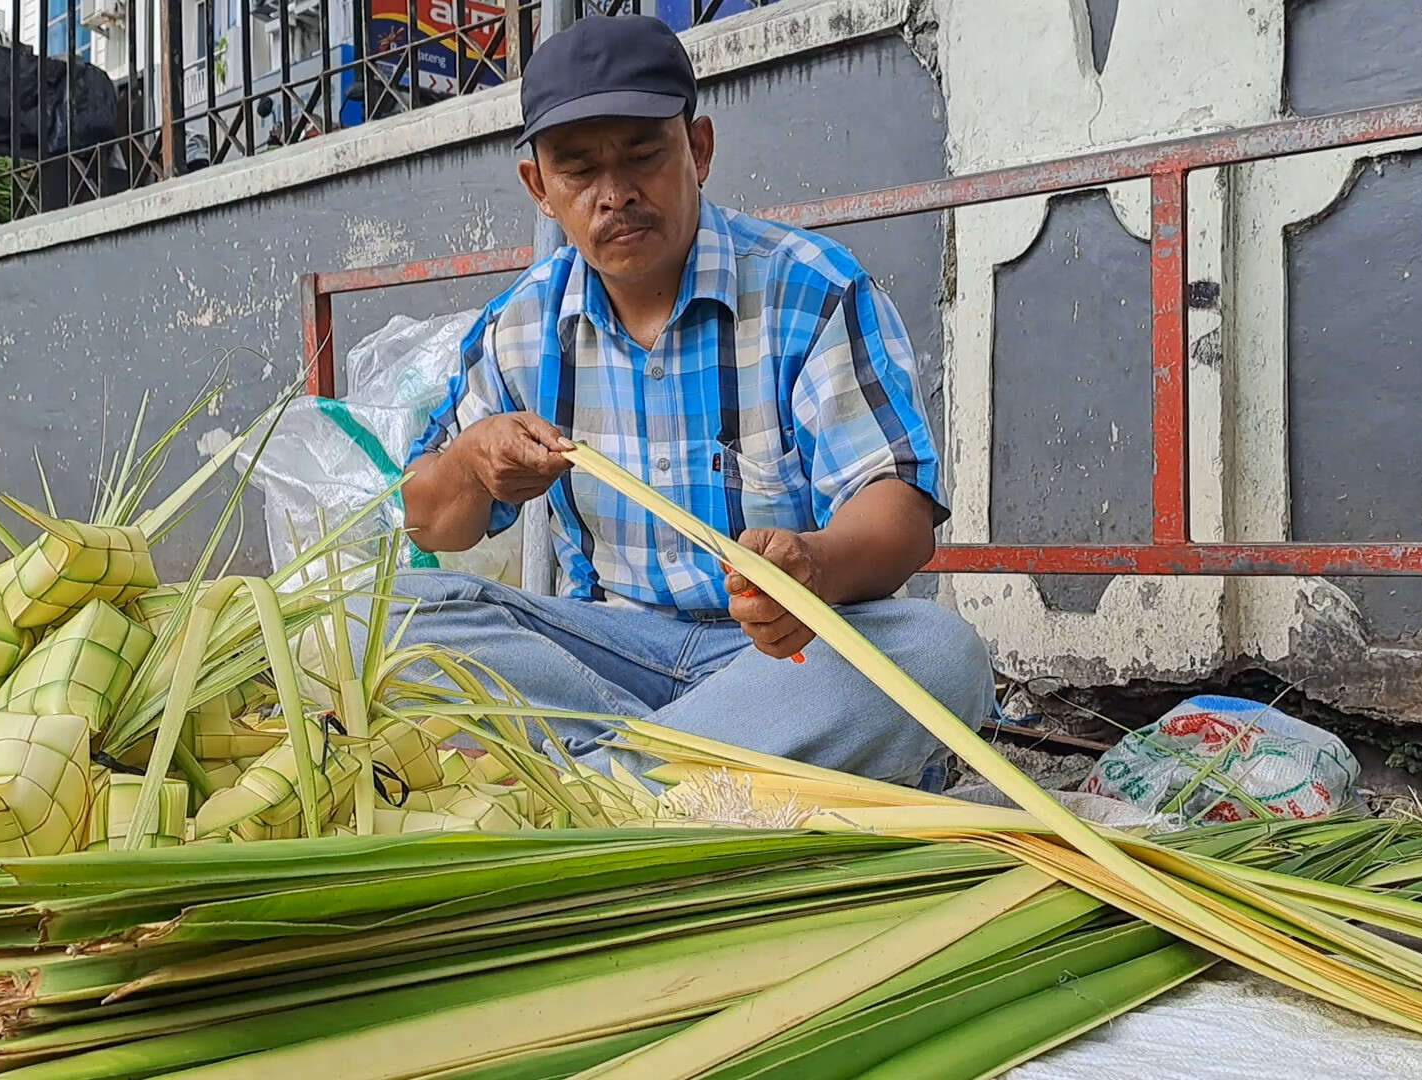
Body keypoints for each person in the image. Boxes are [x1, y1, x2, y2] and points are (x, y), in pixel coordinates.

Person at [383, 14, 993, 788]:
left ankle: (597, 788)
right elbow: (429, 516)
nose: (615, 196)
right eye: (578, 172)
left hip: (784, 661)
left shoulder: (810, 289)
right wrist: (474, 464)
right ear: (539, 188)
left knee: (939, 655)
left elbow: (898, 510)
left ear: (697, 150)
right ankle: (676, 778)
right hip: (608, 659)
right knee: (385, 619)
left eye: (644, 157)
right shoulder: (522, 328)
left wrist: (814, 567)